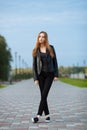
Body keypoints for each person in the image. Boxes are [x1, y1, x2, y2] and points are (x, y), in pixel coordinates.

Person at [32, 31, 59, 123]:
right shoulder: (36, 50)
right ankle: (47, 115)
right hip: (40, 75)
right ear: (38, 38)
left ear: (46, 38)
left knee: (44, 95)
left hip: (50, 75)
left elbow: (55, 62)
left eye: (43, 37)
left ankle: (38, 116)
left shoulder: (51, 48)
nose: (41, 38)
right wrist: (35, 78)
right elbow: (34, 66)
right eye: (39, 36)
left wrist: (56, 74)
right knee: (43, 96)